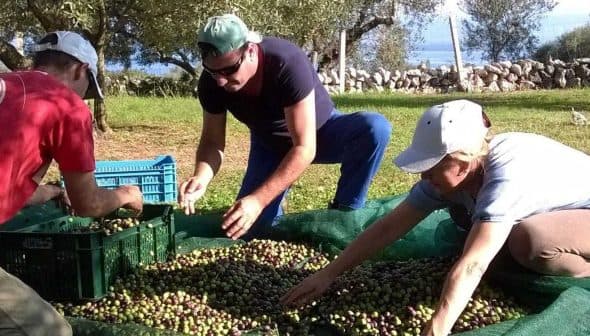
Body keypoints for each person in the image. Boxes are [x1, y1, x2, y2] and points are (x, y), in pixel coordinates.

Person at [281, 99, 590, 336]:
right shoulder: (450, 180)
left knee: (530, 242)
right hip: (552, 211)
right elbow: (390, 227)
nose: (425, 175)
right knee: (485, 241)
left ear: (463, 161)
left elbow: (472, 264)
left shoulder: (506, 176)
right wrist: (329, 273)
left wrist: (440, 322)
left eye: (431, 166)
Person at [178, 14, 392, 240]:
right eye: (212, 71)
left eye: (229, 70)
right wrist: (201, 178)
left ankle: (344, 214)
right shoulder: (211, 84)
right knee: (251, 230)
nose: (221, 80)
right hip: (271, 146)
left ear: (250, 50)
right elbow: (212, 141)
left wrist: (259, 199)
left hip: (322, 133)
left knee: (374, 128)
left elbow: (304, 148)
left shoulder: (286, 62)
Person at [0, 31, 144, 335]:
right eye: (87, 89)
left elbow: (8, 180)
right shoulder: (66, 104)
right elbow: (88, 204)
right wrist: (126, 194)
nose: (83, 98)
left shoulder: (8, 87)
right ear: (81, 70)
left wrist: (52, 191)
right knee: (51, 330)